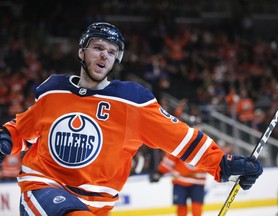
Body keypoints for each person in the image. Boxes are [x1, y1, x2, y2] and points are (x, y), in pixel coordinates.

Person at [0, 22, 263, 216]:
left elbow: (180, 138)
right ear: (82, 52)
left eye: (112, 52)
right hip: (42, 188)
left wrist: (223, 164)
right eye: (98, 47)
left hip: (96, 206)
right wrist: (5, 140)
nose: (104, 55)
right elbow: (22, 130)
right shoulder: (54, 90)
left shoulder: (132, 102)